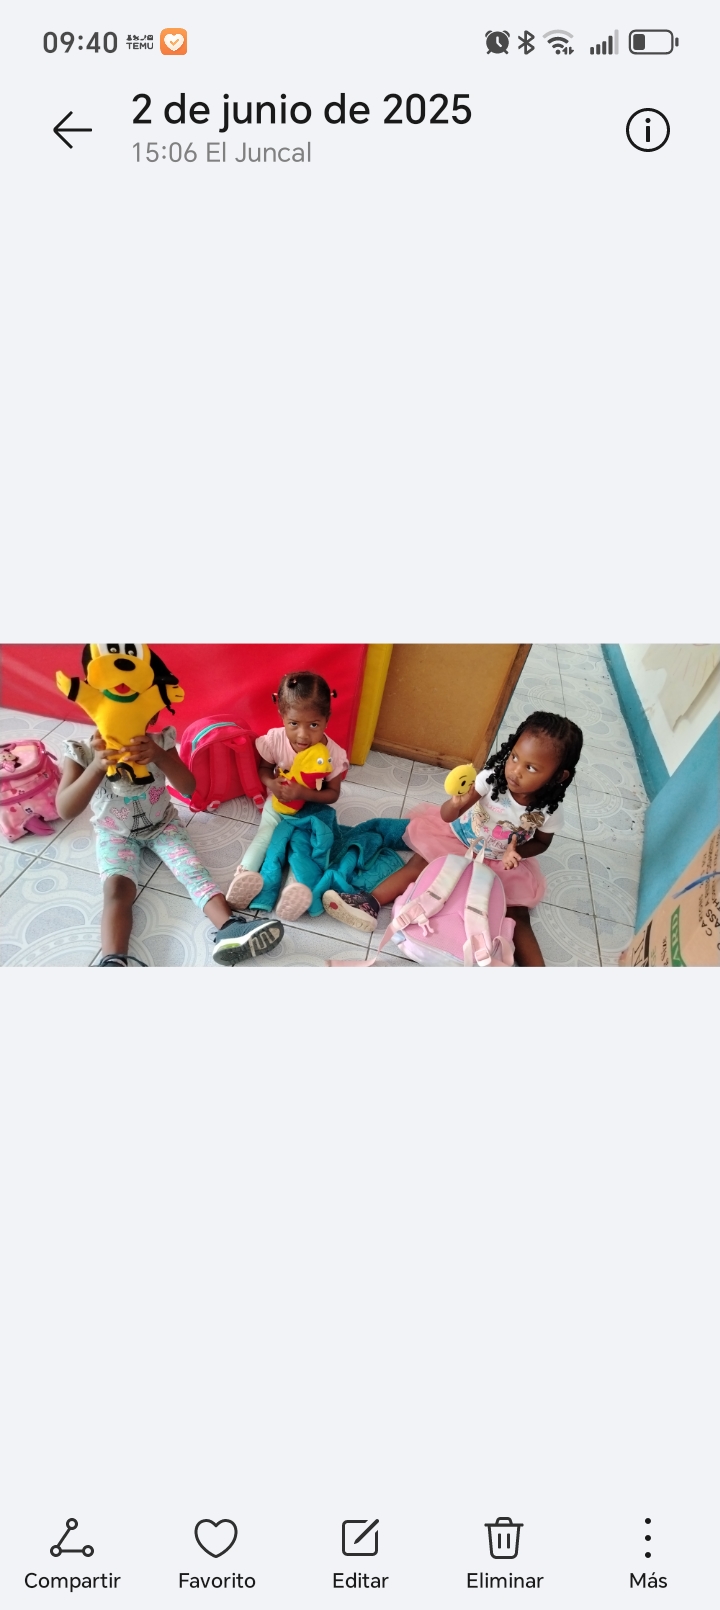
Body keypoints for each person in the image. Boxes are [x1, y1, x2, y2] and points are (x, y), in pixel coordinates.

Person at [323, 711, 583, 967]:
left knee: (517, 911)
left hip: (500, 859)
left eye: (531, 767)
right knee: (420, 865)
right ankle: (370, 902)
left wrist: (518, 853)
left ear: (559, 776)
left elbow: (542, 842)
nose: (515, 770)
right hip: (459, 839)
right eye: (514, 757)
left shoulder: (549, 811)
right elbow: (448, 815)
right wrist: (455, 803)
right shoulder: (491, 779)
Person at [56, 725, 284, 966]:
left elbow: (188, 787)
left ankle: (230, 928)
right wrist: (96, 767)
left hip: (163, 825)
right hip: (114, 833)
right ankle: (113, 961)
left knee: (193, 871)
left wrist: (159, 755)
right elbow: (65, 809)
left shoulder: (159, 742)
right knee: (117, 890)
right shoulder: (82, 751)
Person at [227, 671, 349, 919]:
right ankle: (244, 875)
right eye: (294, 723)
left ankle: (297, 889)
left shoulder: (332, 754)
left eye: (313, 725)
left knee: (303, 849)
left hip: (310, 810)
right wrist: (272, 784)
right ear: (282, 716)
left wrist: (303, 792)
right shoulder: (276, 740)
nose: (303, 735)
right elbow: (263, 769)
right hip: (278, 804)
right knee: (264, 837)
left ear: (327, 719)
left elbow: (333, 794)